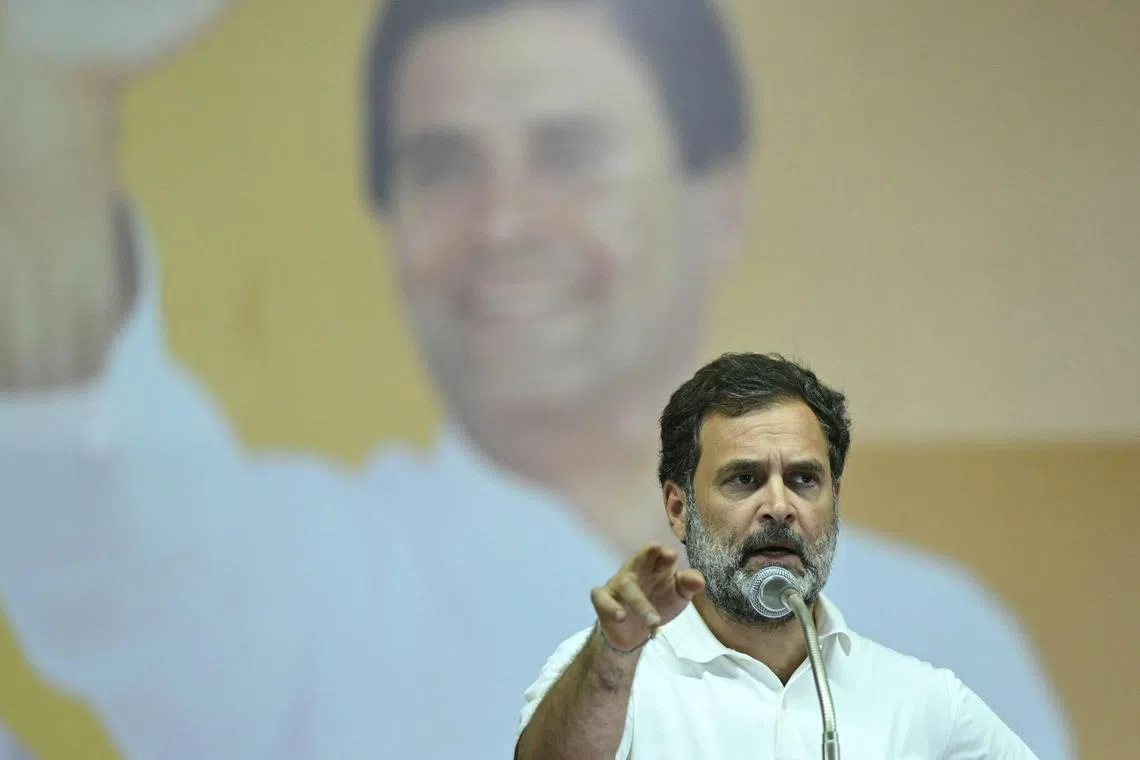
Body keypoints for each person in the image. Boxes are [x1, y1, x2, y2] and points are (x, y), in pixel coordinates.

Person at [0, 0, 1071, 758]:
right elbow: (84, 494)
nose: (504, 223)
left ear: (718, 198)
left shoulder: (941, 635)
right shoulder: (295, 586)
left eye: (569, 151)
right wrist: (46, 97)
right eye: (442, 164)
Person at [517, 353, 1039, 759]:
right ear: (679, 509)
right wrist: (613, 656)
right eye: (745, 479)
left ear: (834, 501)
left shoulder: (921, 701)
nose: (779, 506)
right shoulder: (612, 675)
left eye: (803, 479)